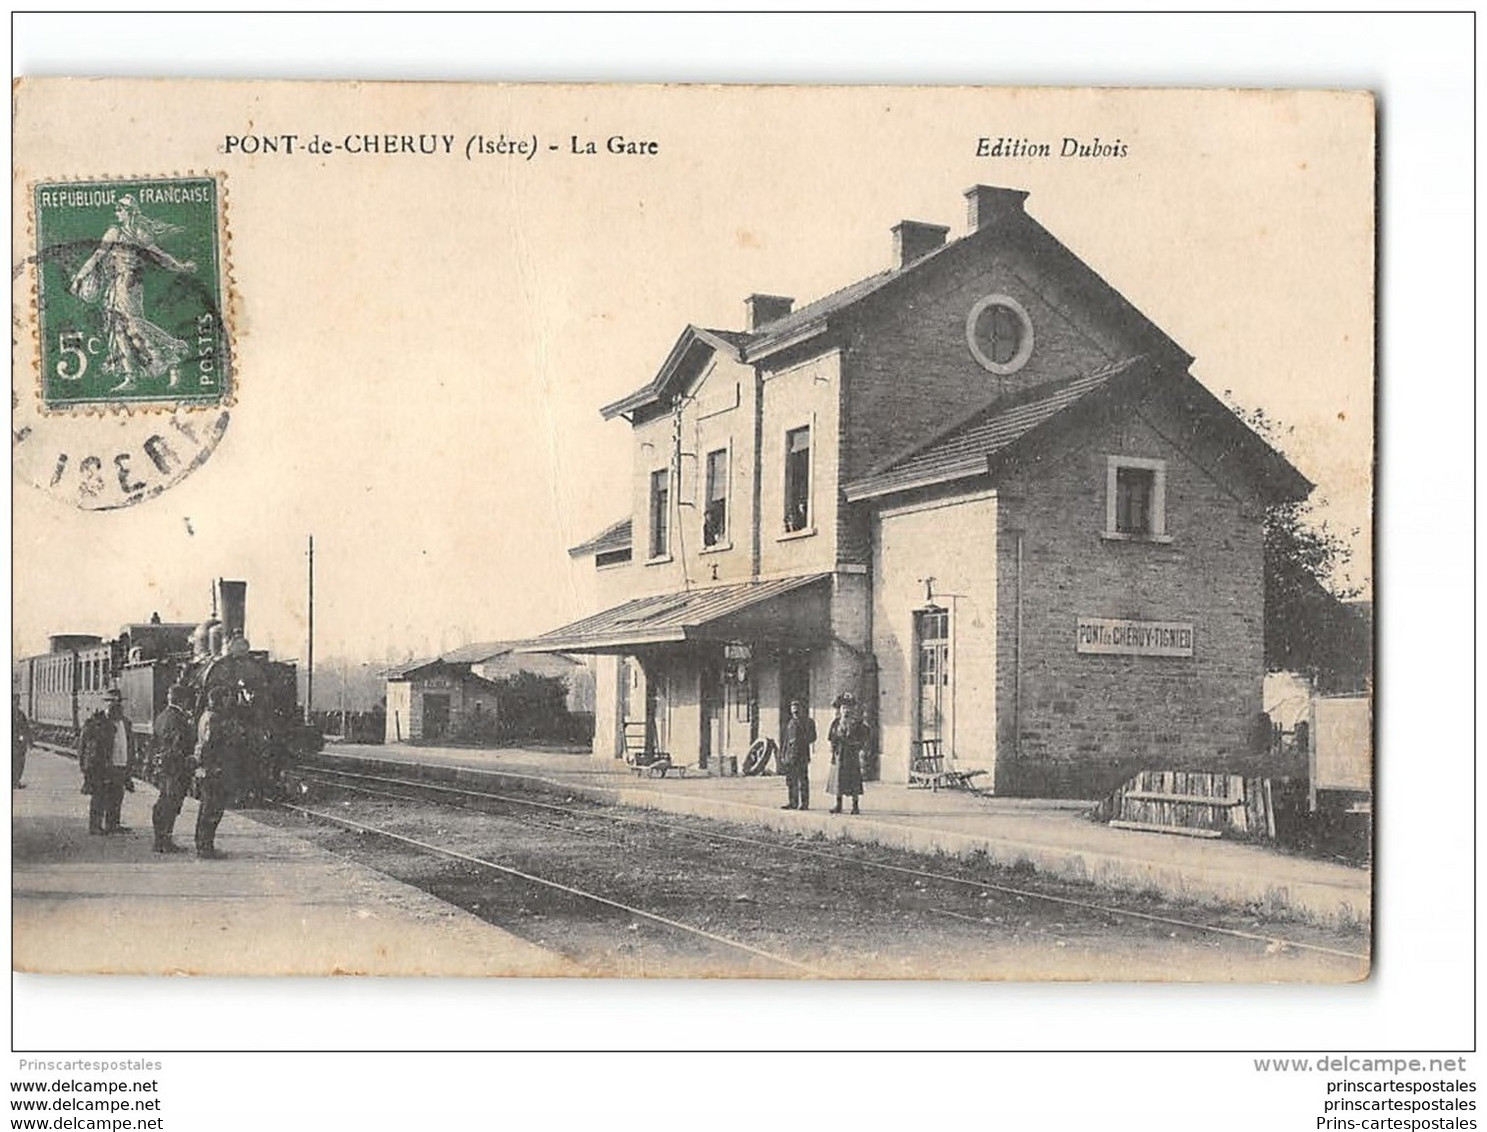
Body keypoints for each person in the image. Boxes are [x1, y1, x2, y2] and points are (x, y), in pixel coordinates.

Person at [68, 194, 197, 392]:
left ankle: (172, 349)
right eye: (116, 209)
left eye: (120, 209)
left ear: (129, 212)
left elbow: (160, 255)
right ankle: (131, 376)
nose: (116, 213)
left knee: (133, 323)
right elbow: (97, 256)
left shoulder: (138, 233)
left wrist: (180, 266)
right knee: (118, 329)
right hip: (115, 284)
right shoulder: (113, 231)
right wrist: (79, 277)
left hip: (129, 285)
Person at [77, 689, 135, 834]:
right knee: (99, 795)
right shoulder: (96, 722)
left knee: (117, 796)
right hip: (102, 766)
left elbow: (129, 744)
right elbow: (83, 746)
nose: (115, 705)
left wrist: (129, 765)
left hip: (120, 765)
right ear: (104, 704)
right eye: (111, 702)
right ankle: (95, 826)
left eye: (118, 702)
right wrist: (86, 769)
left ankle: (113, 824)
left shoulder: (126, 723)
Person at [150, 685, 194, 854]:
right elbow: (177, 745)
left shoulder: (162, 716)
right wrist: (187, 759)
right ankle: (164, 841)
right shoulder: (177, 719)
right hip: (175, 769)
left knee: (165, 802)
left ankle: (161, 840)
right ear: (183, 700)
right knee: (171, 804)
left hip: (165, 767)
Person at [193, 686, 233, 859]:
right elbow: (209, 745)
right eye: (227, 698)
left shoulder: (204, 716)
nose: (229, 702)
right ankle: (205, 847)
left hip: (206, 770)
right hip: (213, 771)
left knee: (206, 808)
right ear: (219, 699)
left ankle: (203, 844)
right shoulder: (214, 718)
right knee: (212, 809)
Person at [826, 692, 871, 815]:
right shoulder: (836, 723)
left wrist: (859, 746)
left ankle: (855, 806)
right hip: (839, 755)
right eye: (844, 708)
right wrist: (832, 748)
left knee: (854, 780)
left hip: (851, 755)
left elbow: (865, 737)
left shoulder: (857, 724)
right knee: (838, 780)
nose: (846, 711)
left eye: (848, 708)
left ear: (852, 710)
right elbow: (831, 737)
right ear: (840, 710)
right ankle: (838, 805)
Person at [779, 698, 816, 811]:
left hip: (802, 755)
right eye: (793, 709)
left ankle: (804, 803)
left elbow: (813, 737)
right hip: (790, 756)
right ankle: (792, 802)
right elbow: (786, 740)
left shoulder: (809, 722)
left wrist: (801, 740)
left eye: (797, 709)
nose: (795, 711)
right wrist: (783, 754)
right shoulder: (790, 722)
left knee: (802, 780)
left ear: (802, 709)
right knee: (791, 780)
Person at [13, 694, 32, 789]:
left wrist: (28, 741)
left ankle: (16, 781)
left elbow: (26, 728)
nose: (16, 703)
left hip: (19, 743)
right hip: (15, 743)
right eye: (15, 701)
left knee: (19, 762)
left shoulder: (20, 714)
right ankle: (14, 781)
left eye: (17, 701)